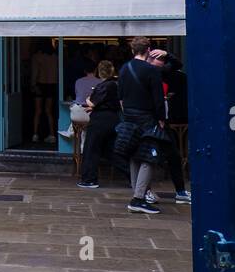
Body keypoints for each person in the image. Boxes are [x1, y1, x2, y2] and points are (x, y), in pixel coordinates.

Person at [115, 37, 169, 214]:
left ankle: (137, 193)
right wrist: (161, 119)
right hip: (147, 118)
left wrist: (127, 114)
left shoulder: (124, 69)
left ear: (132, 50)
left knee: (133, 156)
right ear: (148, 50)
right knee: (148, 157)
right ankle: (138, 198)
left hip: (129, 118)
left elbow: (120, 97)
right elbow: (158, 98)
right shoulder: (151, 70)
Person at [78, 61, 127, 188]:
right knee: (112, 151)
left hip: (100, 120)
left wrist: (89, 99)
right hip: (113, 118)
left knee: (91, 149)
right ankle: (132, 175)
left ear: (99, 72)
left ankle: (89, 179)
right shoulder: (117, 85)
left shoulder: (103, 86)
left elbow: (92, 103)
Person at [157, 50, 191, 204]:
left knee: (173, 155)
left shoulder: (161, 72)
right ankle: (143, 192)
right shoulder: (152, 72)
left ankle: (180, 190)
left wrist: (165, 54)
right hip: (159, 119)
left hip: (164, 120)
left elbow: (177, 63)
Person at [30, 40, 59, 144]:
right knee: (49, 111)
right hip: (52, 84)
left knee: (37, 111)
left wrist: (33, 85)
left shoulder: (37, 56)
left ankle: (35, 134)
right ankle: (52, 134)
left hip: (40, 84)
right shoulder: (55, 56)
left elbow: (35, 72)